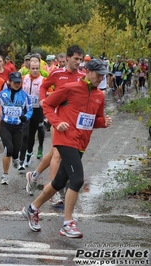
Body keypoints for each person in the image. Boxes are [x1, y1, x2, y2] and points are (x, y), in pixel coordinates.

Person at [22, 59, 112, 238]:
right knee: (77, 180)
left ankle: (32, 209)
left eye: (103, 74)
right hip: (65, 139)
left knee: (59, 182)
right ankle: (67, 223)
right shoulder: (70, 88)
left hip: (81, 144)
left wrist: (104, 122)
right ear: (87, 71)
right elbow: (46, 104)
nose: (101, 77)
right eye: (98, 73)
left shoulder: (99, 96)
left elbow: (94, 120)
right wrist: (56, 122)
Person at [25, 45, 85, 203]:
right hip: (57, 119)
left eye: (80, 59)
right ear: (67, 58)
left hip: (73, 121)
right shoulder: (57, 73)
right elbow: (44, 86)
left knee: (54, 152)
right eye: (75, 59)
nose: (78, 62)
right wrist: (44, 99)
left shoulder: (83, 76)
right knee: (58, 155)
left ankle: (34, 175)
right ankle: (54, 191)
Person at [0, 72, 32, 185]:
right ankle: (5, 175)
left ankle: (15, 158)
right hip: (5, 125)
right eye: (15, 82)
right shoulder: (2, 94)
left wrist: (26, 117)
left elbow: (30, 110)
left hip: (18, 127)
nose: (17, 84)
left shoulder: (25, 96)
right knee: (8, 148)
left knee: (15, 151)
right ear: (9, 82)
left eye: (19, 82)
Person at [20, 60, 45, 171]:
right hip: (25, 109)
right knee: (24, 134)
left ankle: (29, 153)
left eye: (37, 68)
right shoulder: (24, 78)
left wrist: (45, 96)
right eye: (33, 68)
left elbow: (49, 91)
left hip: (36, 110)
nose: (35, 71)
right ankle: (23, 156)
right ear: (28, 68)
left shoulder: (43, 80)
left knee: (31, 134)